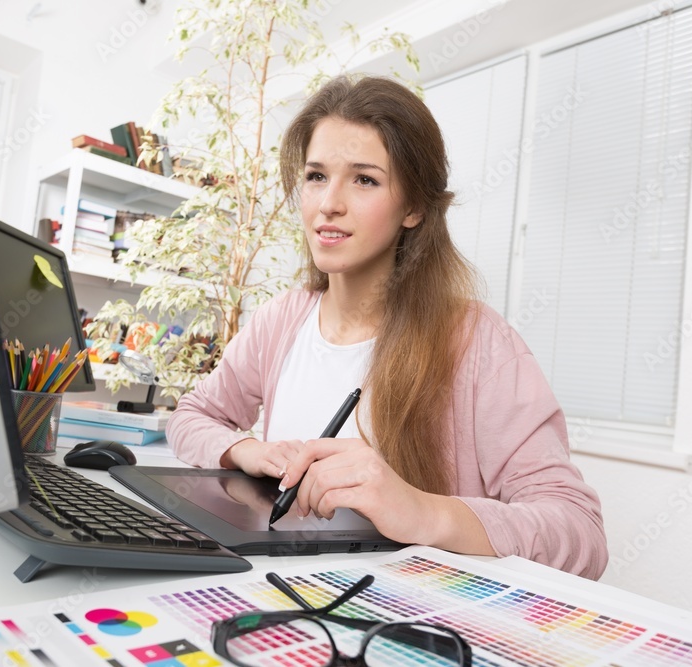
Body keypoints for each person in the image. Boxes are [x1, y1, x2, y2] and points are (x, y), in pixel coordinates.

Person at [166, 75, 608, 580]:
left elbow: (580, 533)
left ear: (415, 208)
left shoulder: (478, 342)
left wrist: (422, 511)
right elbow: (193, 416)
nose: (328, 203)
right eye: (315, 176)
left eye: (364, 179)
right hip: (277, 596)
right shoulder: (281, 320)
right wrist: (246, 450)